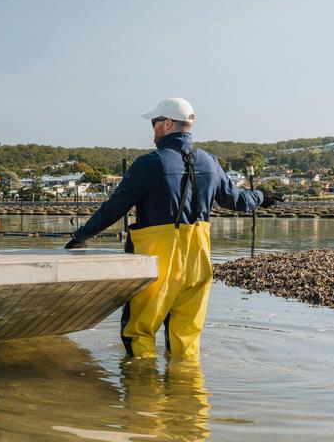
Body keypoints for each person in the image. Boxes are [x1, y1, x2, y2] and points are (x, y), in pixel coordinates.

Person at [64, 98, 280, 358]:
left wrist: (80, 237)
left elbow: (114, 208)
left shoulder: (150, 163)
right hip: (198, 264)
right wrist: (261, 196)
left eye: (155, 123)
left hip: (159, 264)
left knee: (139, 333)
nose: (153, 130)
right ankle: (187, 393)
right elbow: (238, 201)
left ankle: (143, 393)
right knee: (187, 340)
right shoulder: (209, 162)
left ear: (167, 124)